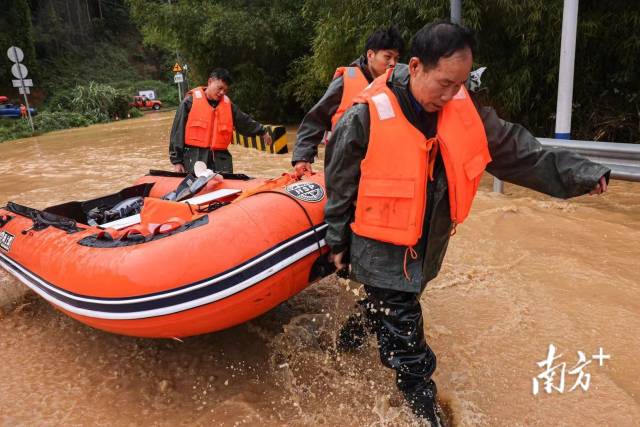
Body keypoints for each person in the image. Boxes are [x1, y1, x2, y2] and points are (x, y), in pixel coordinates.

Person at [324, 21, 609, 426]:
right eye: (444, 83)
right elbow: (339, 182)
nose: (452, 94)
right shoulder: (366, 115)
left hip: (424, 249)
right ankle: (428, 416)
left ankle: (338, 349)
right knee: (411, 354)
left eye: (460, 85)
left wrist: (581, 173)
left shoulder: (462, 111)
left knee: (379, 311)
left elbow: (522, 153)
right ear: (418, 66)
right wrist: (337, 242)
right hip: (380, 252)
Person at [291, 26, 404, 176]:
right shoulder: (345, 81)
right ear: (370, 55)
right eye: (387, 57)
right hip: (344, 171)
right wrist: (302, 157)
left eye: (396, 59)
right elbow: (315, 119)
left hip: (379, 170)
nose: (393, 63)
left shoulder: (396, 86)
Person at [169, 68, 272, 174]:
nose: (222, 92)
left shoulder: (228, 106)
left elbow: (245, 122)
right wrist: (177, 162)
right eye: (220, 88)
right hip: (195, 159)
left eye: (225, 90)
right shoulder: (189, 103)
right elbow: (177, 132)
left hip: (221, 160)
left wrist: (262, 131)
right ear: (210, 82)